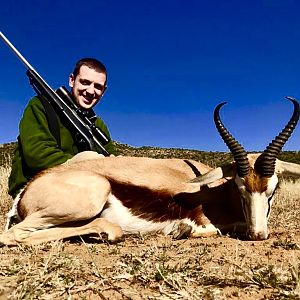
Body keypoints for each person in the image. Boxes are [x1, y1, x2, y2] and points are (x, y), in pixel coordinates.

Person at [8, 57, 115, 202]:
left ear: (104, 91)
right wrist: (86, 164)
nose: (90, 91)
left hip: (83, 190)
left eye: (98, 86)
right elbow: (37, 154)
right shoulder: (40, 105)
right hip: (33, 187)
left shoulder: (98, 125)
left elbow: (112, 160)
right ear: (72, 80)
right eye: (85, 82)